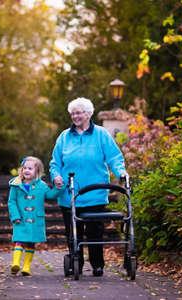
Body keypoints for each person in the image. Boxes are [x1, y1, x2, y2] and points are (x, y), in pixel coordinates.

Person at [49, 97, 128, 277]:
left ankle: (97, 265)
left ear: (89, 114)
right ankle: (76, 261)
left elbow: (114, 157)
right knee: (73, 232)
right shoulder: (64, 136)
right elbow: (55, 163)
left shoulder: (101, 134)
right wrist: (57, 176)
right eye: (73, 113)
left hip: (95, 192)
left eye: (79, 113)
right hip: (70, 194)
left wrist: (121, 173)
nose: (75, 116)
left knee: (95, 232)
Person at [8, 156, 64, 276]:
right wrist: (15, 216)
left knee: (31, 242)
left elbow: (50, 195)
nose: (27, 170)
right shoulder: (16, 185)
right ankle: (15, 263)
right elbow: (11, 202)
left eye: (30, 168)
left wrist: (59, 188)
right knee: (19, 240)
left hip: (34, 219)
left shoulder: (41, 185)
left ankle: (26, 267)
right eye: (24, 168)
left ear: (37, 172)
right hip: (21, 219)